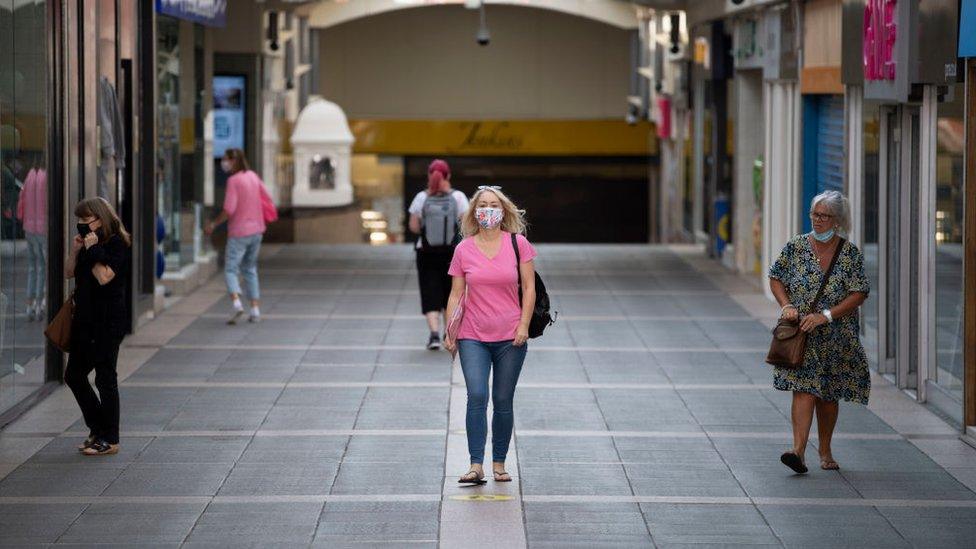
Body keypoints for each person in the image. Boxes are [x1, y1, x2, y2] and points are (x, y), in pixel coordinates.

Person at [768, 190, 870, 473]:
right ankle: (798, 451)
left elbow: (859, 292)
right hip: (801, 334)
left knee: (827, 394)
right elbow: (776, 276)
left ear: (837, 220)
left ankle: (825, 450)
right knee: (803, 390)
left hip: (836, 336)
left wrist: (825, 316)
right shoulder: (796, 247)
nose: (818, 220)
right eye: (815, 214)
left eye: (825, 216)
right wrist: (786, 304)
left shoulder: (849, 253)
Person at [444, 186, 536, 484]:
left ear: (504, 210)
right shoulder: (463, 249)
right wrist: (450, 331)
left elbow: (530, 288)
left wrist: (523, 325)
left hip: (511, 337)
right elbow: (456, 294)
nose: (488, 210)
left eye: (494, 205)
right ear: (474, 212)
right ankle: (475, 464)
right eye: (482, 205)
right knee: (477, 396)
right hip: (473, 335)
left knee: (503, 399)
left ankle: (499, 463)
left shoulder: (518, 244)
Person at [64, 197, 131, 456]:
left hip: (108, 321)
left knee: (105, 377)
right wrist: (75, 250)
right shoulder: (87, 244)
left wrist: (92, 251)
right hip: (84, 320)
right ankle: (97, 428)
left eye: (85, 220)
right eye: (78, 220)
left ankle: (110, 438)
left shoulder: (117, 244)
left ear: (100, 219)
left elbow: (104, 277)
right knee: (74, 375)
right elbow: (70, 273)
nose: (81, 225)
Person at [408, 159, 468, 350]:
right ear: (448, 175)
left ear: (429, 175)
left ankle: (433, 335)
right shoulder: (458, 197)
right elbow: (466, 226)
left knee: (429, 290)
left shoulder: (421, 198)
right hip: (452, 252)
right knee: (450, 291)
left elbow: (414, 226)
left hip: (426, 252)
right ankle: (447, 333)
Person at [205, 149, 267, 324]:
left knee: (231, 269)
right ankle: (255, 310)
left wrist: (213, 224)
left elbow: (229, 210)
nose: (223, 163)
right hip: (257, 231)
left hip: (240, 232)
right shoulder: (253, 176)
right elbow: (265, 198)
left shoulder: (234, 181)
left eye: (225, 160)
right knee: (250, 268)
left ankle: (237, 304)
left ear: (233, 161)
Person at [17, 162, 46, 320]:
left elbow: (21, 201)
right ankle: (38, 305)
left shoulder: (28, 177)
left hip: (28, 229)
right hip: (42, 229)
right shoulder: (46, 178)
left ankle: (29, 304)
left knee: (32, 268)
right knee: (42, 268)